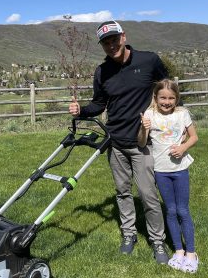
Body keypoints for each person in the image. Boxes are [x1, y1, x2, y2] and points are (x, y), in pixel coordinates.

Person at [69, 20, 169, 264]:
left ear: (123, 37)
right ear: (102, 46)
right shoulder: (102, 72)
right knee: (123, 192)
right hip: (115, 143)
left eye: (114, 39)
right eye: (106, 42)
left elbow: (166, 89)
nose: (111, 45)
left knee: (148, 194)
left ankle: (157, 241)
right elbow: (99, 104)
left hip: (142, 143)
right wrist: (80, 110)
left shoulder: (148, 60)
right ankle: (129, 234)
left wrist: (171, 119)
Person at [138, 79, 199, 273]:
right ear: (155, 97)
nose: (167, 101)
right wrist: (143, 127)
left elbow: (194, 137)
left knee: (182, 210)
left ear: (176, 98)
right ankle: (178, 251)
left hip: (180, 170)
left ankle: (191, 253)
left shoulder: (182, 114)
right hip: (161, 171)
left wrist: (183, 147)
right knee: (171, 211)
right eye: (163, 97)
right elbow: (141, 143)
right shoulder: (149, 114)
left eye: (171, 98)